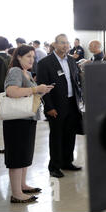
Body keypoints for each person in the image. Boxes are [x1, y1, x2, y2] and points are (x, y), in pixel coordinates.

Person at [3, 45, 53, 203]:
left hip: (27, 119)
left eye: (33, 56)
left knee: (24, 154)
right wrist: (35, 89)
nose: (32, 59)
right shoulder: (16, 71)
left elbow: (28, 92)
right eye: (28, 57)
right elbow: (11, 91)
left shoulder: (28, 73)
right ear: (18, 57)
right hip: (16, 121)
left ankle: (22, 185)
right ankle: (16, 194)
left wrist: (41, 90)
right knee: (17, 156)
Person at [37, 34, 83, 178]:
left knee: (70, 134)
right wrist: (49, 107)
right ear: (55, 44)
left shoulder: (71, 60)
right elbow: (42, 87)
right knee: (57, 136)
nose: (66, 45)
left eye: (67, 43)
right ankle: (54, 166)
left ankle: (67, 162)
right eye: (62, 43)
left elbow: (76, 82)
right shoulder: (45, 63)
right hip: (56, 105)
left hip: (72, 103)